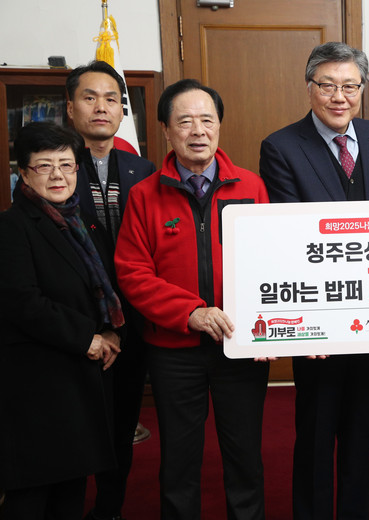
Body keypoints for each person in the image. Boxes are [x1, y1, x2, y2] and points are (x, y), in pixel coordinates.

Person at [259, 42, 369, 520]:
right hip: (319, 323)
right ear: (309, 87)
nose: (339, 96)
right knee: (315, 431)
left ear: (362, 88)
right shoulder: (281, 146)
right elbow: (289, 237)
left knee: (362, 433)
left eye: (350, 86)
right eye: (327, 85)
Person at [114, 79, 271, 520]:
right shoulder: (144, 195)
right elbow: (132, 272)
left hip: (240, 345)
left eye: (207, 120)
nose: (198, 130)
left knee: (245, 457)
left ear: (219, 126)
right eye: (185, 121)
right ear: (166, 131)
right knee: (179, 462)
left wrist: (268, 330)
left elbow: (271, 263)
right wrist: (191, 313)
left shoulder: (251, 186)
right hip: (173, 351)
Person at [0, 122, 123, 519]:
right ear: (24, 173)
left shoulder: (81, 222)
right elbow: (23, 302)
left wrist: (109, 331)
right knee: (32, 495)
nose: (58, 175)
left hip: (79, 381)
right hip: (36, 384)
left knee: (71, 490)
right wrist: (87, 337)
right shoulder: (12, 226)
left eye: (66, 165)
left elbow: (102, 287)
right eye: (44, 166)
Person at [66, 60, 155, 520]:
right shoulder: (56, 165)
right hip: (78, 324)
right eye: (89, 97)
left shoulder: (143, 168)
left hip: (134, 320)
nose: (101, 107)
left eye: (111, 99)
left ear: (123, 110)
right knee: (74, 427)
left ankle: (109, 508)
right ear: (71, 107)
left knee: (122, 423)